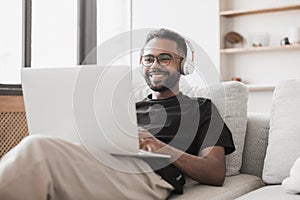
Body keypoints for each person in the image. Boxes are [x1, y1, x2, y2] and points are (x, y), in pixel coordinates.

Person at [0, 28, 235, 200]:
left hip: (148, 176)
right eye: (148, 59)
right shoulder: (128, 108)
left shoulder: (201, 107)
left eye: (165, 58)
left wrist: (160, 147)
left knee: (38, 149)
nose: (155, 65)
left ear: (184, 65)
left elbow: (215, 172)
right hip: (99, 164)